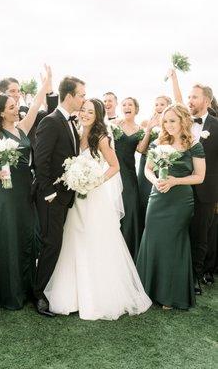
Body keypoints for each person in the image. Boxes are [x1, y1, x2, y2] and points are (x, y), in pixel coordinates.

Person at [44, 98, 152, 320]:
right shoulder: (74, 131)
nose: (84, 114)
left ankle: (96, 296)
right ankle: (71, 295)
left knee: (93, 239)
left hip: (93, 196)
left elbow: (115, 166)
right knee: (73, 238)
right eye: (83, 110)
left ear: (98, 115)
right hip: (75, 197)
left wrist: (95, 181)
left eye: (90, 112)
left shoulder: (101, 137)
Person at [0, 66, 51, 311]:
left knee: (26, 235)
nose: (16, 108)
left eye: (16, 104)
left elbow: (34, 107)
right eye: (11, 107)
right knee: (6, 236)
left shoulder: (22, 128)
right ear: (1, 112)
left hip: (24, 188)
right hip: (3, 191)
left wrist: (46, 84)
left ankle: (26, 289)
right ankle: (4, 292)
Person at [136, 104, 205, 310]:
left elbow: (199, 177)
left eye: (172, 120)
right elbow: (148, 169)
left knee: (173, 244)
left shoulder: (194, 145)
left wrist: (176, 181)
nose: (168, 125)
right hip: (158, 197)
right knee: (153, 239)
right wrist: (155, 180)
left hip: (180, 201)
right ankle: (147, 289)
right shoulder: (158, 142)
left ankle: (170, 294)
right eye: (166, 121)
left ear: (183, 121)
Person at [33, 75, 86, 316]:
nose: (84, 99)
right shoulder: (51, 121)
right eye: (82, 95)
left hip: (66, 195)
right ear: (69, 96)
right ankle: (38, 294)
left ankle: (46, 288)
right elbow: (40, 160)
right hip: (51, 197)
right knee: (50, 244)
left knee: (55, 244)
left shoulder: (71, 121)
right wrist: (49, 193)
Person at [168, 69, 218, 293]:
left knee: (200, 235)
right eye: (189, 97)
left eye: (194, 97)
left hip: (206, 190)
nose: (189, 100)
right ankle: (176, 273)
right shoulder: (183, 122)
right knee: (179, 232)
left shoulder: (216, 126)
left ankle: (195, 277)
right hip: (179, 188)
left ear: (206, 100)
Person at [112, 97, 152, 260]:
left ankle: (129, 253)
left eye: (130, 105)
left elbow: (142, 150)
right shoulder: (114, 126)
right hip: (113, 173)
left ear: (136, 109)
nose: (126, 107)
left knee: (130, 210)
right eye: (124, 104)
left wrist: (148, 130)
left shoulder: (139, 130)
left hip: (128, 175)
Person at [138, 96, 172, 221]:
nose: (158, 107)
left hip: (163, 163)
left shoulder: (171, 125)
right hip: (146, 162)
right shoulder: (146, 122)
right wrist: (149, 130)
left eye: (162, 104)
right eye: (156, 104)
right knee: (144, 196)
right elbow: (141, 149)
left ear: (168, 107)